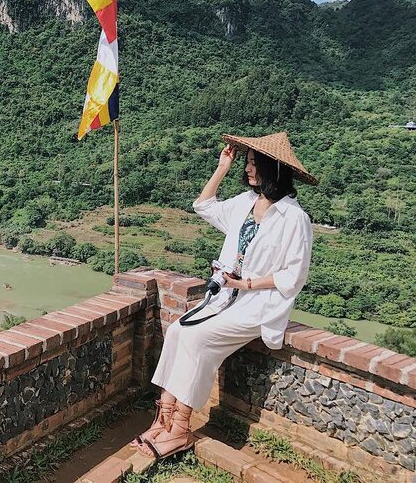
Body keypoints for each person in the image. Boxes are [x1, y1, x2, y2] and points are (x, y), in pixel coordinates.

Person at [132, 131, 317, 460]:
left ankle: (180, 429)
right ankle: (163, 420)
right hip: (222, 298)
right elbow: (203, 205)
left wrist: (243, 285)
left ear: (271, 168)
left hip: (256, 306)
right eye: (245, 162)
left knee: (197, 339)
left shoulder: (295, 218)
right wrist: (222, 167)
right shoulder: (246, 204)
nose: (246, 169)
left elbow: (293, 275)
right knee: (176, 331)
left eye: (251, 163)